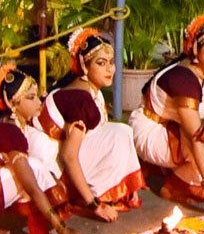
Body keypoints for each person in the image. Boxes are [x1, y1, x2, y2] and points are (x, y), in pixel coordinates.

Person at [0, 64, 87, 234]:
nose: (39, 102)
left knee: (37, 167)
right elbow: (32, 187)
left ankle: (10, 219)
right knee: (35, 170)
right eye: (31, 98)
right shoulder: (8, 129)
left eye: (37, 96)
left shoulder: (12, 119)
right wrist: (62, 229)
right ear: (11, 103)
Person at [129, 14, 204, 205]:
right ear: (196, 49)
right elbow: (193, 135)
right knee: (200, 142)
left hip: (180, 130)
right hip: (152, 130)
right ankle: (182, 186)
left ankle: (178, 183)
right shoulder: (184, 78)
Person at [38, 29, 144, 220]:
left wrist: (129, 185)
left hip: (67, 161)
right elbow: (68, 156)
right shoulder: (80, 100)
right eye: (101, 64)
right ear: (83, 66)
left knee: (121, 132)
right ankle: (85, 196)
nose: (110, 70)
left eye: (111, 63)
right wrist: (94, 206)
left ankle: (112, 190)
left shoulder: (91, 91)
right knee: (118, 134)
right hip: (56, 171)